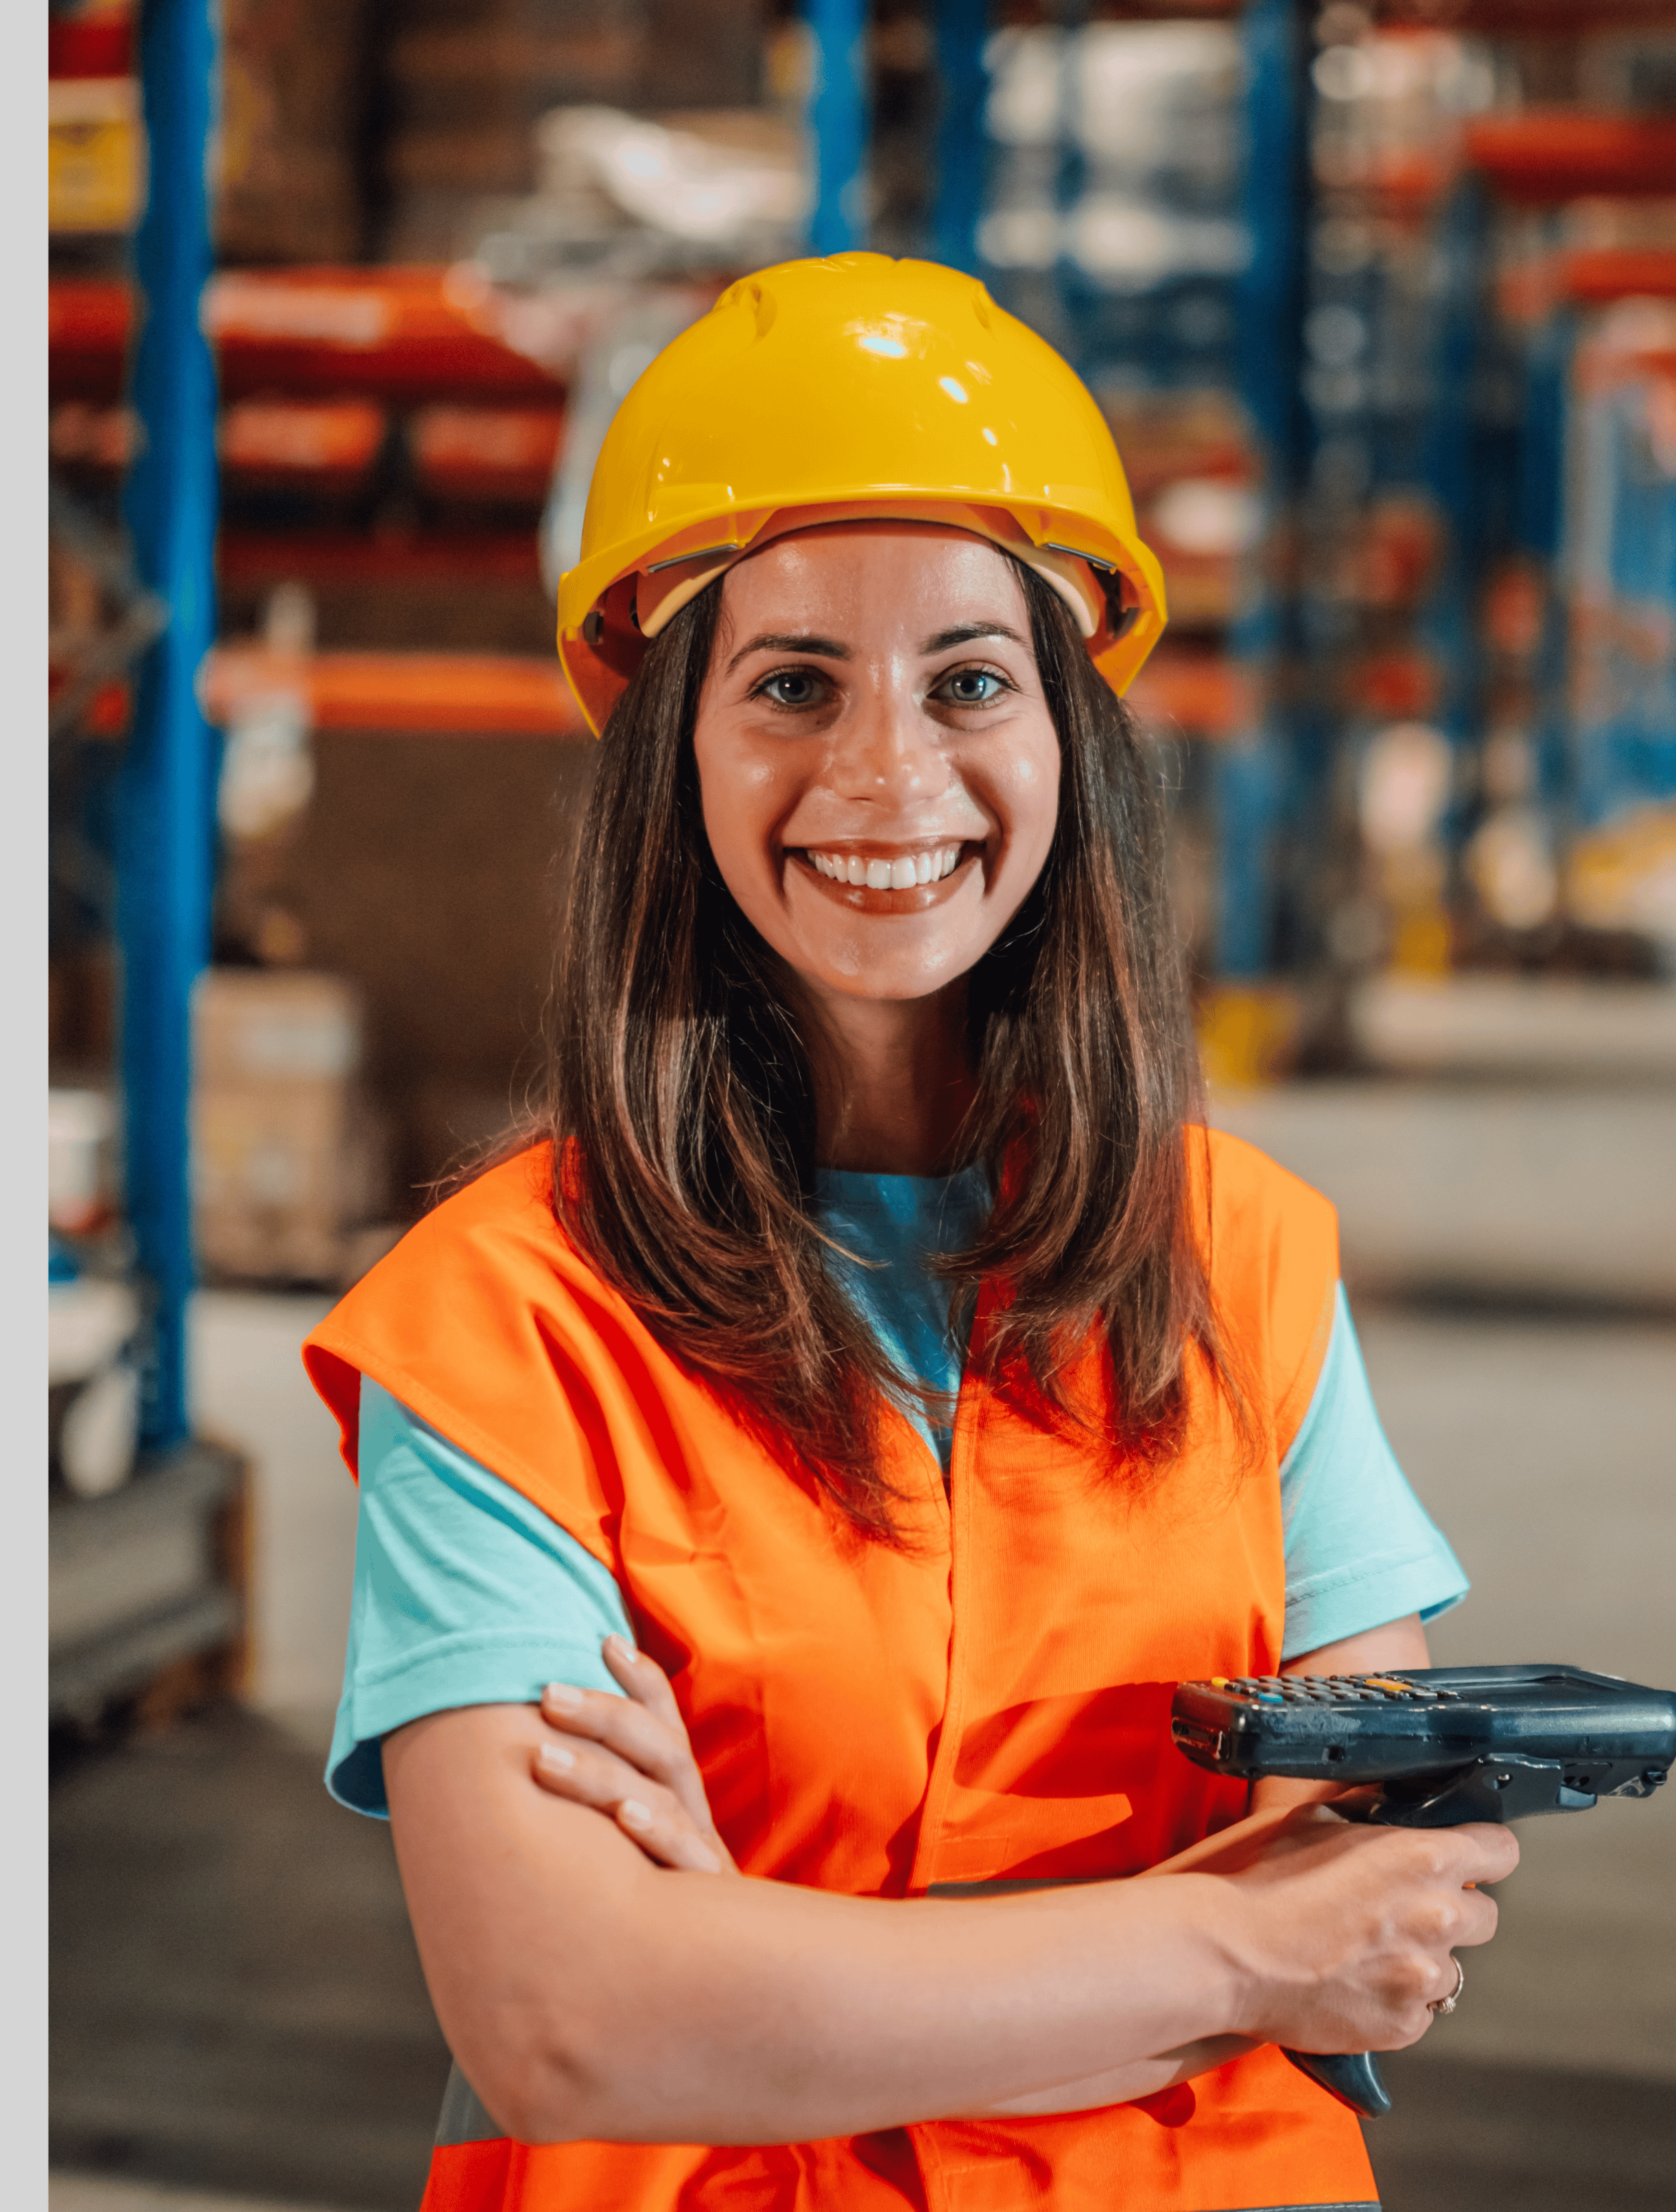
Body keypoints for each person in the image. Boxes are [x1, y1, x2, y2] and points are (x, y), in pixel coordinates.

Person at [305, 254, 1516, 2212]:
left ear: (1069, 744)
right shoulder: (498, 1330)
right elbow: (569, 2022)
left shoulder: (1252, 1268)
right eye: (792, 683)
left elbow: (1375, 1941)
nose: (886, 772)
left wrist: (756, 1953)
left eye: (970, 679)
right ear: (670, 751)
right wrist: (1224, 1943)